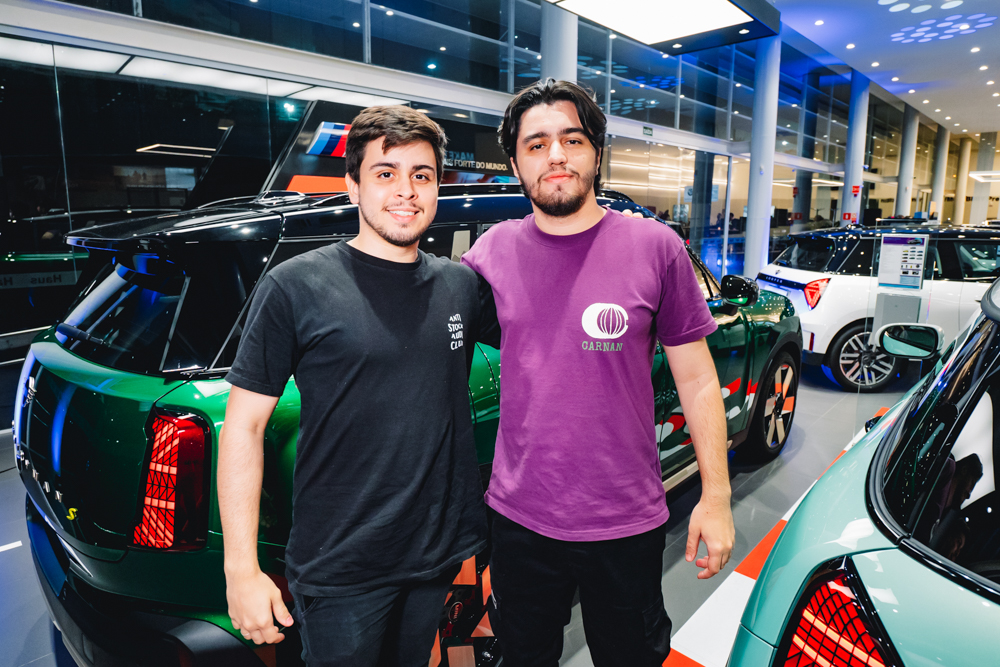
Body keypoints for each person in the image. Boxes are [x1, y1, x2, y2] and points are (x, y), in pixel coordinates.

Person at [462, 79, 735, 667]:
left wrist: (716, 496)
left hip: (624, 520)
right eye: (536, 144)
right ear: (515, 163)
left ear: (596, 152)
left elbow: (697, 379)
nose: (556, 155)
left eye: (572, 139)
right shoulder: (490, 254)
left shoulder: (655, 247)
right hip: (518, 521)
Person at [217, 105, 493, 666]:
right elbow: (243, 428)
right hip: (341, 565)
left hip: (434, 552)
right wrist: (240, 570)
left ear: (437, 187)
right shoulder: (295, 286)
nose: (406, 191)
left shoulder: (460, 286)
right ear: (353, 186)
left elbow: (544, 332)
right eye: (385, 173)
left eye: (421, 175)